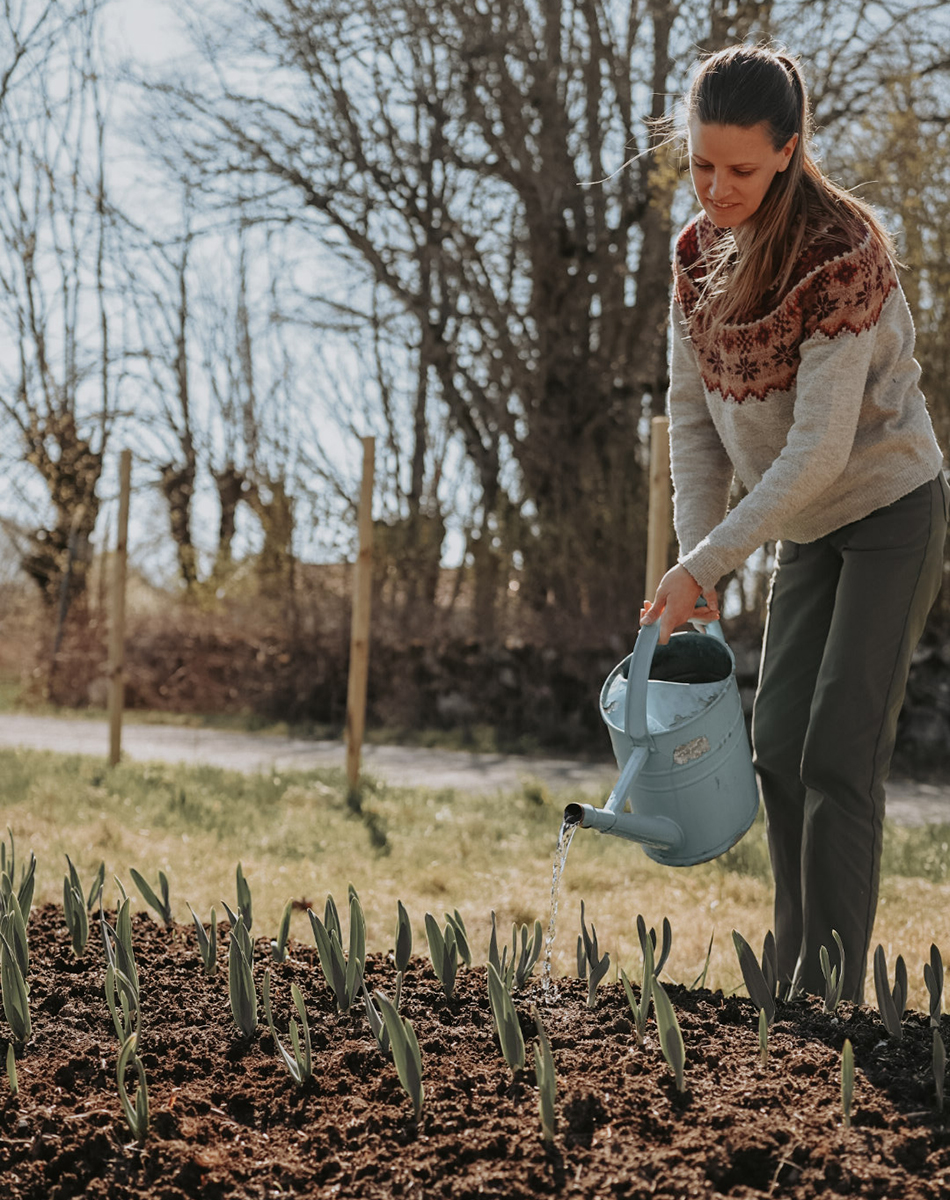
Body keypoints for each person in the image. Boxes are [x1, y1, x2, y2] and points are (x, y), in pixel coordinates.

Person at [640, 44, 948, 1003]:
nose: (715, 187)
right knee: (776, 744)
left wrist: (709, 563)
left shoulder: (841, 250)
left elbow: (817, 451)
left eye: (739, 167)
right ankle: (790, 983)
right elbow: (692, 424)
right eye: (700, 164)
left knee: (837, 749)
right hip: (804, 524)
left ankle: (832, 998)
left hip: (888, 504)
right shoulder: (695, 260)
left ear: (787, 149)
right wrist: (702, 564)